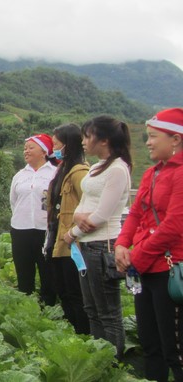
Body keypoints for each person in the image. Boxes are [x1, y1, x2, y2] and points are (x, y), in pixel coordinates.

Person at [115, 108, 183, 381]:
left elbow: (175, 225)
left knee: (175, 349)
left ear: (175, 139)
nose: (148, 142)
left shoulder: (180, 174)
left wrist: (136, 257)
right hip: (144, 269)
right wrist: (121, 244)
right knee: (149, 343)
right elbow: (135, 214)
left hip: (169, 269)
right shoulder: (152, 173)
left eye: (153, 136)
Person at [62, 115, 132, 359]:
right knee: (91, 308)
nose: (83, 141)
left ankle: (113, 362)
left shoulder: (118, 169)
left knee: (108, 312)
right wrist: (79, 219)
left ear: (103, 140)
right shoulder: (95, 167)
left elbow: (100, 215)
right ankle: (97, 357)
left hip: (103, 245)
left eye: (88, 136)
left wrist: (72, 232)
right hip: (86, 246)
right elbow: (83, 206)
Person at [45, 123, 91, 334]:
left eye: (56, 144)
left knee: (74, 292)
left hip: (72, 241)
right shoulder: (62, 169)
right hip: (57, 238)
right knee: (62, 289)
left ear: (68, 144)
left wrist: (74, 232)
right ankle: (74, 332)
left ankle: (83, 333)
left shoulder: (80, 172)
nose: (53, 148)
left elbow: (90, 205)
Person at [10, 133, 57, 306]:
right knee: (24, 272)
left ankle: (48, 307)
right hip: (20, 229)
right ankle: (26, 306)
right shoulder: (20, 175)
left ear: (44, 151)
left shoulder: (54, 173)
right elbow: (13, 202)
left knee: (47, 273)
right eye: (25, 148)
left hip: (45, 230)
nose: (26, 151)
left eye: (31, 148)